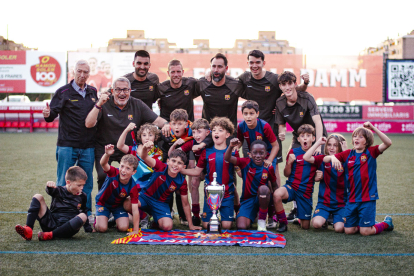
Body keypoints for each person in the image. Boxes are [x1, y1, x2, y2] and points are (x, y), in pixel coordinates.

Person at [85, 76, 169, 191]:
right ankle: (103, 204)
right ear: (112, 91)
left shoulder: (137, 104)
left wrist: (167, 124)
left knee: (131, 176)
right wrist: (98, 104)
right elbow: (88, 124)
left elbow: (157, 120)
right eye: (118, 90)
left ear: (130, 91)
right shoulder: (104, 103)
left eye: (125, 90)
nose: (122, 93)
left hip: (127, 149)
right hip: (104, 148)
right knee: (103, 175)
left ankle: (127, 204)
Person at [43, 60, 97, 223]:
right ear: (73, 72)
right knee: (62, 182)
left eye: (85, 72)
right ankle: (60, 214)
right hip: (67, 145)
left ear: (89, 74)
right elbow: (51, 115)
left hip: (88, 146)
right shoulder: (63, 92)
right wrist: (47, 114)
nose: (82, 75)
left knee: (86, 183)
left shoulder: (93, 92)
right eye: (79, 71)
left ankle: (85, 215)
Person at [323, 122, 394, 236]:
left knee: (365, 232)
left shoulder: (371, 152)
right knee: (349, 231)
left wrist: (373, 128)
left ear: (367, 141)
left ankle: (386, 223)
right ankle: (367, 222)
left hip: (367, 198)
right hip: (352, 199)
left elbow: (388, 143)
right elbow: (325, 159)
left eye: (361, 137)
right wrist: (332, 157)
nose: (356, 138)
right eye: (355, 136)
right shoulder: (348, 154)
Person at [274, 71, 327, 221]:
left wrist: (318, 143)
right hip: (299, 137)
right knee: (295, 169)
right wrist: (282, 132)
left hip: (315, 136)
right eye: (284, 84)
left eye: (290, 83)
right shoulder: (279, 102)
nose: (287, 87)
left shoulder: (307, 97)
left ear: (295, 84)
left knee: (322, 172)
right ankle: (296, 208)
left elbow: (318, 122)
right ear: (281, 87)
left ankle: (326, 207)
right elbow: (281, 125)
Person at [123, 141, 202, 231]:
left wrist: (191, 225)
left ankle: (154, 222)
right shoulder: (160, 166)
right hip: (145, 197)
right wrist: (145, 148)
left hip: (161, 204)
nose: (175, 165)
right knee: (127, 202)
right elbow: (144, 157)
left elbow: (185, 204)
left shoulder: (182, 181)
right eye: (173, 161)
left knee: (167, 226)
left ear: (184, 167)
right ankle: (144, 217)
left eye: (179, 163)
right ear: (168, 161)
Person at [181, 117, 238, 230]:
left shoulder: (233, 152)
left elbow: (240, 172)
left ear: (227, 135)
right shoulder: (206, 152)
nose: (216, 132)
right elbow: (197, 171)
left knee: (227, 226)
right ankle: (208, 214)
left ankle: (235, 212)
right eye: (214, 130)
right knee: (207, 225)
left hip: (227, 195)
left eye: (220, 130)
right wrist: (180, 170)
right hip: (210, 195)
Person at [15, 166, 93, 241]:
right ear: (68, 182)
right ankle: (28, 230)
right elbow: (50, 191)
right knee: (38, 196)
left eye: (83, 185)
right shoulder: (58, 190)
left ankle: (51, 235)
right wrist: (49, 186)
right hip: (51, 224)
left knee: (83, 215)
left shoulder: (83, 196)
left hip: (67, 230)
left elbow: (84, 210)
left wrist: (88, 228)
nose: (82, 188)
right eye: (79, 185)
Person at [272, 124, 321, 232]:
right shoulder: (293, 152)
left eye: (308, 135)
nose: (305, 138)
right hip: (292, 187)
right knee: (277, 194)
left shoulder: (317, 154)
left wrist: (319, 175)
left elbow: (322, 172)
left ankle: (299, 217)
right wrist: (289, 163)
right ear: (298, 139)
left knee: (305, 227)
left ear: (313, 139)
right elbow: (286, 173)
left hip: (305, 192)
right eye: (302, 135)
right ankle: (283, 222)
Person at [225, 138, 277, 231]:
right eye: (255, 153)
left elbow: (274, 186)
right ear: (250, 154)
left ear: (266, 154)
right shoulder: (245, 162)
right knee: (241, 227)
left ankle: (261, 221)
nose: (258, 156)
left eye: (261, 153)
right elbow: (227, 158)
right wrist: (231, 146)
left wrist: (275, 207)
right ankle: (254, 215)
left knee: (263, 189)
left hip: (263, 198)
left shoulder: (269, 167)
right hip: (247, 200)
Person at [169, 118, 211, 226]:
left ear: (207, 132)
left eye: (199, 132)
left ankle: (213, 212)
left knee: (209, 187)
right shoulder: (192, 142)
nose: (196, 135)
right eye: (194, 132)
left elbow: (197, 171)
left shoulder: (209, 144)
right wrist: (174, 145)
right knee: (194, 182)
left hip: (213, 173)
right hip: (201, 169)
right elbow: (174, 154)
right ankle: (196, 215)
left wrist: (179, 169)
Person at [303, 134, 348, 233]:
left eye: (335, 145)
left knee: (339, 229)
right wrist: (318, 143)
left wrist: (345, 151)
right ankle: (325, 219)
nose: (331, 148)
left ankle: (333, 218)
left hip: (341, 204)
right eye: (329, 145)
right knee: (316, 224)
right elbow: (306, 157)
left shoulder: (346, 160)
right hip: (324, 203)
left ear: (340, 146)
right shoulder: (322, 159)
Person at [94, 145, 141, 235]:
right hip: (103, 203)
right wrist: (107, 154)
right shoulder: (113, 172)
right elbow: (103, 164)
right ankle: (100, 218)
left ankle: (115, 219)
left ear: (133, 172)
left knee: (123, 228)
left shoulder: (133, 186)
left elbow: (135, 210)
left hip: (117, 206)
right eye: (122, 166)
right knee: (102, 228)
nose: (123, 170)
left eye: (128, 168)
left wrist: (136, 230)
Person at [195, 53, 243, 133]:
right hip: (208, 133)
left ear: (226, 68)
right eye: (213, 66)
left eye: (220, 67)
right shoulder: (202, 83)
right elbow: (185, 95)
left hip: (229, 134)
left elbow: (255, 92)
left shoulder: (235, 85)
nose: (216, 70)